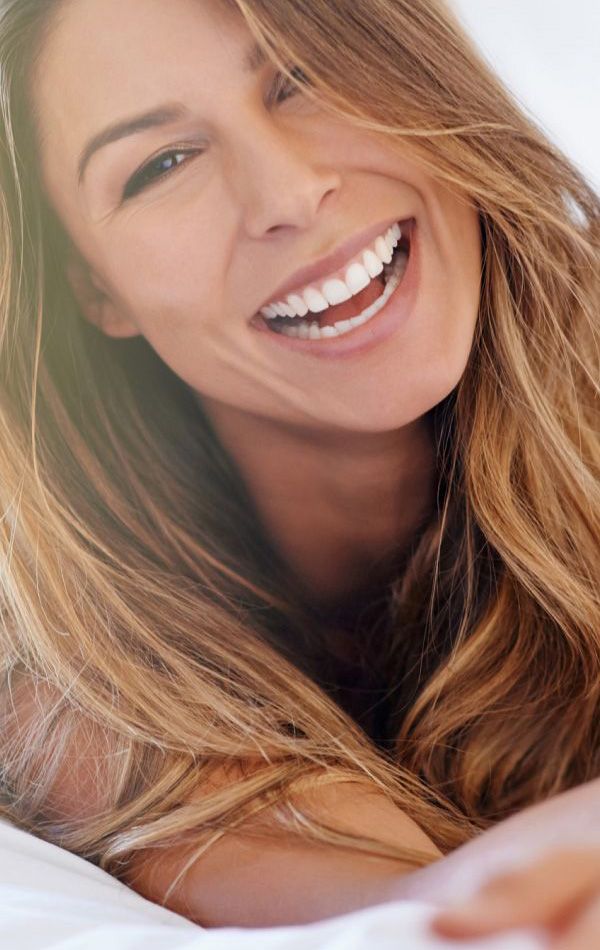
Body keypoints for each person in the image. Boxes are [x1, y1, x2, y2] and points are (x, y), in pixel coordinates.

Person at [0, 0, 598, 933]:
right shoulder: (69, 678)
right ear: (93, 287)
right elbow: (443, 921)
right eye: (162, 165)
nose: (288, 194)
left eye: (302, 77)